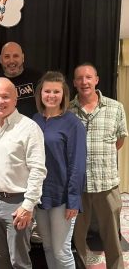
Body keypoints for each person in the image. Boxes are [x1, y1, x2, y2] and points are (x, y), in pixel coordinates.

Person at [0, 77, 47, 269]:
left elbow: (38, 170)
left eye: (5, 97)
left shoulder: (29, 128)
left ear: (15, 100)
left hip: (18, 203)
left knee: (19, 261)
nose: (0, 101)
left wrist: (28, 205)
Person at [70, 63, 128, 269]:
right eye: (79, 78)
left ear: (96, 80)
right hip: (78, 186)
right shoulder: (68, 110)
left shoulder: (115, 107)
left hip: (107, 183)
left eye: (88, 77)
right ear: (74, 82)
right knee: (78, 235)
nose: (84, 82)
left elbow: (119, 141)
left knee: (112, 235)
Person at [32, 71, 86, 269]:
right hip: (40, 196)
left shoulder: (73, 124)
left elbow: (77, 166)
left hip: (62, 198)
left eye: (56, 91)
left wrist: (74, 200)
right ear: (40, 93)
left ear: (64, 94)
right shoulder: (35, 120)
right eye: (47, 91)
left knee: (61, 251)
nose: (51, 95)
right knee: (47, 247)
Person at [0, 41, 42, 119]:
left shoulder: (38, 78)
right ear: (1, 59)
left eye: (15, 56)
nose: (11, 61)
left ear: (23, 58)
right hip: (7, 130)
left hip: (34, 129)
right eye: (7, 56)